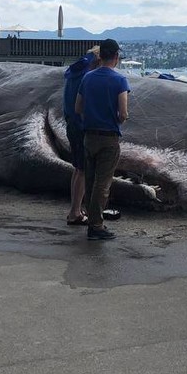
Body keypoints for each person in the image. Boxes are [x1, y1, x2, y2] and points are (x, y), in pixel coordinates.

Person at [75, 39, 129, 241]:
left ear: (100, 56)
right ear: (116, 57)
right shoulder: (120, 80)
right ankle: (96, 226)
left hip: (89, 136)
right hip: (108, 138)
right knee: (102, 184)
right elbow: (123, 113)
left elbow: (78, 108)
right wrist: (116, 118)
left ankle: (91, 220)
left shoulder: (87, 78)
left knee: (90, 181)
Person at [62, 46, 100, 225]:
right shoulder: (87, 76)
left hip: (71, 124)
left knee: (78, 169)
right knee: (84, 170)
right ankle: (75, 212)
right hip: (81, 126)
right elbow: (83, 105)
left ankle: (75, 208)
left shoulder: (74, 72)